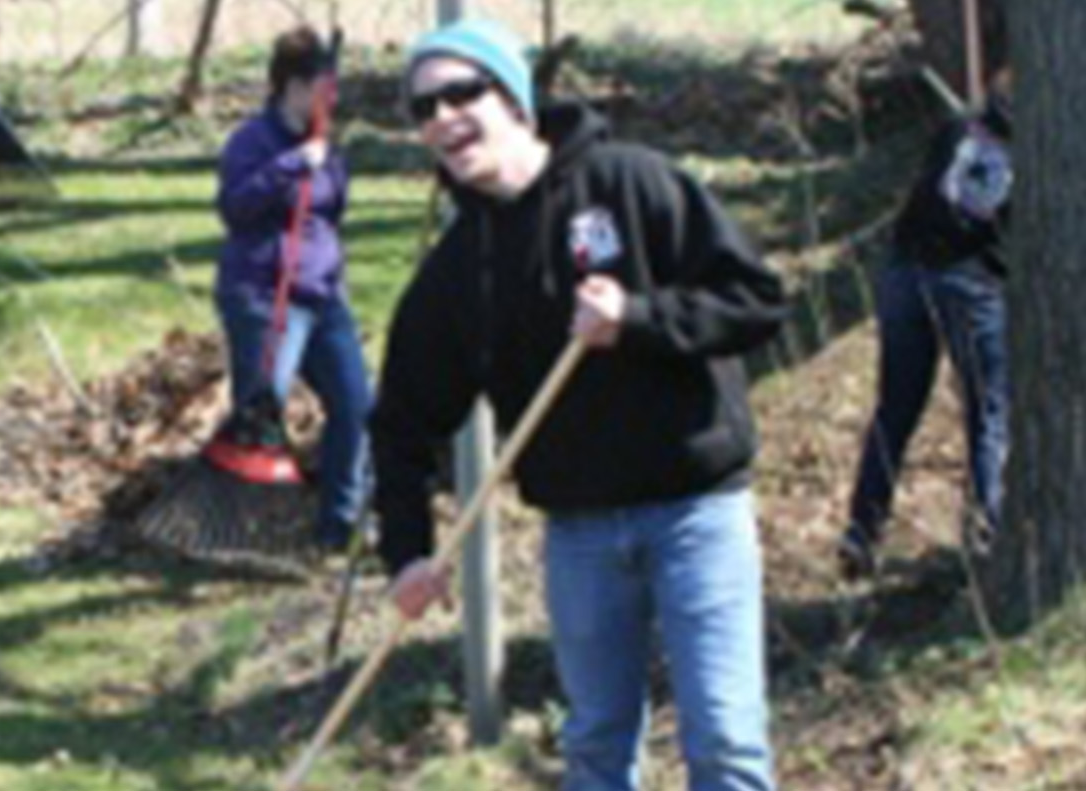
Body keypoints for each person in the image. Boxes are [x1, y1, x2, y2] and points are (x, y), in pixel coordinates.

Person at [372, 20, 787, 791]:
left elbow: (756, 301)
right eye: (422, 108)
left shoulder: (631, 182)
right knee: (595, 748)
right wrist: (405, 552)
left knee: (724, 740)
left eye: (462, 93)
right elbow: (400, 420)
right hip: (582, 533)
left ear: (516, 100)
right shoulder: (460, 269)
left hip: (695, 510)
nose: (442, 118)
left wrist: (637, 318)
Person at [839, 67, 1014, 580]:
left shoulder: (958, 128)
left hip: (905, 271)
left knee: (896, 408)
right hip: (972, 282)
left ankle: (861, 529)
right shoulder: (1046, 149)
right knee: (988, 412)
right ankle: (988, 529)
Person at [214, 26, 372, 550]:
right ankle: (244, 529)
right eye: (325, 87)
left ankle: (340, 524)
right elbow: (235, 209)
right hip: (264, 296)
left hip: (323, 296)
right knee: (262, 413)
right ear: (293, 87)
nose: (333, 98)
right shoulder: (252, 142)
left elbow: (332, 217)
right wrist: (287, 168)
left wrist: (331, 276)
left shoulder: (328, 149)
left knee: (356, 404)